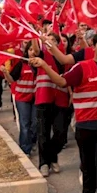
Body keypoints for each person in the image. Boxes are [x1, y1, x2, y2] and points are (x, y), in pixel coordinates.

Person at [41, 32, 97, 193]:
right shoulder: (82, 67)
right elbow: (61, 81)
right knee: (87, 163)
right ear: (93, 46)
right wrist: (43, 65)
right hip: (84, 126)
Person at [32, 35, 70, 177]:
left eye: (53, 40)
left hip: (60, 98)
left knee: (60, 132)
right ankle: (44, 163)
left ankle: (51, 155)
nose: (50, 42)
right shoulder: (42, 55)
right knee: (43, 132)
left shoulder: (64, 58)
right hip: (44, 97)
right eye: (47, 39)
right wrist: (34, 37)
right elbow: (35, 50)